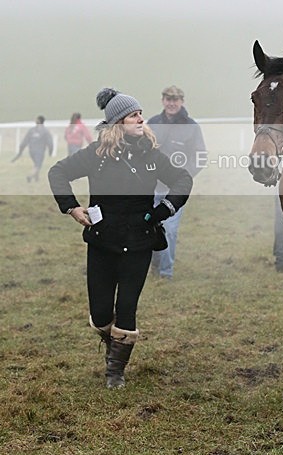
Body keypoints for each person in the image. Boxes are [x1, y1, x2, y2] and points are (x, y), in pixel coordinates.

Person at [48, 88, 193, 389]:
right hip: (102, 243)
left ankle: (115, 372)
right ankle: (112, 341)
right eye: (133, 115)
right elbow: (57, 172)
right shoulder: (96, 155)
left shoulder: (151, 154)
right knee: (101, 313)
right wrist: (72, 208)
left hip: (140, 243)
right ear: (117, 123)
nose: (141, 118)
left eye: (140, 113)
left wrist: (164, 209)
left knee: (127, 308)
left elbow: (183, 179)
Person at [147, 85, 206, 279]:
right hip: (149, 189)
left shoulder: (191, 127)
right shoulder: (152, 123)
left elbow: (200, 157)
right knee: (148, 227)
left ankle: (166, 273)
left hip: (174, 191)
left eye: (175, 100)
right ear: (163, 101)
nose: (171, 103)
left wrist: (182, 179)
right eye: (168, 99)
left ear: (182, 102)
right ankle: (154, 264)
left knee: (170, 231)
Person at [12, 115, 53, 182]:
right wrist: (50, 152)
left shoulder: (32, 130)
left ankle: (36, 179)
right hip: (40, 151)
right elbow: (50, 143)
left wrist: (21, 150)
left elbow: (25, 141)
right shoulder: (45, 131)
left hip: (31, 151)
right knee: (38, 165)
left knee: (36, 164)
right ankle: (30, 176)